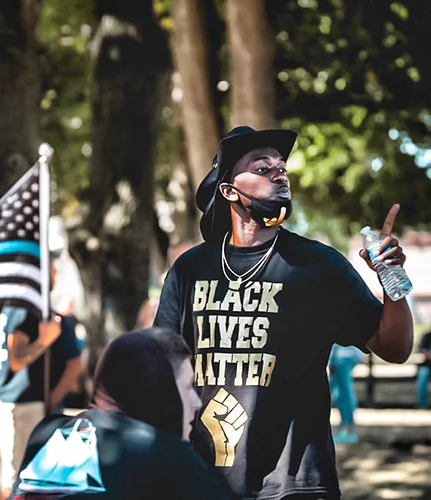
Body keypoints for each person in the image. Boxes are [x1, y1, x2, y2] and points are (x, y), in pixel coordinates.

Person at [153, 125, 414, 499]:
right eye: (262, 168)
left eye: (282, 168)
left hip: (296, 484)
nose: (279, 174)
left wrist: (392, 280)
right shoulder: (190, 269)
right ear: (229, 190)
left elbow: (395, 348)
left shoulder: (318, 266)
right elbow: (164, 368)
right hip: (204, 478)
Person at [11, 328, 228, 499]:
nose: (196, 402)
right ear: (159, 389)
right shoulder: (165, 453)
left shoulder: (46, 431)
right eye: (187, 387)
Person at [0, 261, 83, 500]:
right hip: (23, 403)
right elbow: (16, 359)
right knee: (18, 479)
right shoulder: (25, 308)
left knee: (22, 477)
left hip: (22, 400)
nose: (54, 272)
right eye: (49, 267)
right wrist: (44, 341)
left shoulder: (17, 306)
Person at [328, 344, 364, 444]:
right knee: (343, 392)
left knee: (344, 393)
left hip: (342, 355)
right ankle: (346, 428)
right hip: (345, 354)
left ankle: (348, 429)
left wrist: (332, 358)